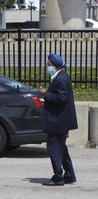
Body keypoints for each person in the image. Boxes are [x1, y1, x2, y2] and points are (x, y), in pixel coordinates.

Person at [38, 53, 77, 186]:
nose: (47, 67)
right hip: (60, 119)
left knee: (53, 147)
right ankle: (69, 175)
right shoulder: (59, 77)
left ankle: (58, 177)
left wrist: (45, 94)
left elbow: (61, 98)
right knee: (61, 147)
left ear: (55, 66)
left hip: (58, 120)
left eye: (49, 65)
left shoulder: (61, 78)